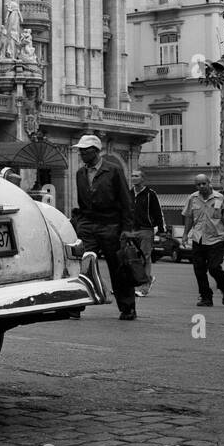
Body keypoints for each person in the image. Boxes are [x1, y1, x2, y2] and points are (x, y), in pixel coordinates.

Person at [70, 133, 137, 320]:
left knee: (118, 268)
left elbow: (126, 201)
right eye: (80, 151)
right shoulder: (80, 173)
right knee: (83, 267)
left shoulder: (113, 170)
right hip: (87, 224)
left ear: (95, 151)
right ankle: (76, 305)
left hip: (110, 224)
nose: (81, 154)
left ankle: (127, 307)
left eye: (85, 151)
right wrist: (80, 223)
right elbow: (82, 202)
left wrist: (126, 229)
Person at [183, 174, 224, 307]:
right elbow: (188, 217)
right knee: (199, 270)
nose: (201, 186)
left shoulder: (220, 198)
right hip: (198, 238)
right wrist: (185, 234)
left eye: (203, 184)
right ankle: (206, 297)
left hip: (216, 238)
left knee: (214, 268)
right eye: (198, 184)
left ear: (209, 183)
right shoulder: (192, 198)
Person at [129, 169, 165, 298]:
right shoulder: (129, 193)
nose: (134, 178)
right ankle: (146, 279)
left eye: (137, 176)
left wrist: (161, 230)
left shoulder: (150, 194)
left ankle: (144, 288)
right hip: (132, 230)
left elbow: (158, 212)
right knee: (132, 258)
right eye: (132, 175)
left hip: (146, 229)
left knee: (145, 257)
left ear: (143, 179)